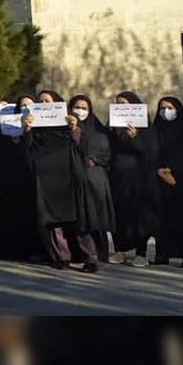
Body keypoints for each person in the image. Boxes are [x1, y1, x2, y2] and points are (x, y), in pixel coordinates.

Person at [22, 89, 97, 272]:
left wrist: (74, 128)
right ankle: (62, 257)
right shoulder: (35, 127)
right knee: (53, 221)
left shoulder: (68, 123)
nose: (44, 105)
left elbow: (83, 147)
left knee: (78, 219)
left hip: (70, 176)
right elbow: (28, 150)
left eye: (47, 101)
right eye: (40, 102)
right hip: (47, 178)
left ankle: (90, 258)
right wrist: (28, 130)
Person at [107, 92, 158, 267]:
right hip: (117, 178)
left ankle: (141, 253)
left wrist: (136, 138)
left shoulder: (146, 128)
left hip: (139, 179)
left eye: (124, 104)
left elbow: (151, 153)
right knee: (119, 215)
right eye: (118, 104)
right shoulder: (112, 126)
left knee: (139, 217)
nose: (120, 107)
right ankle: (119, 250)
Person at [0, 94, 39, 261]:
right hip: (9, 176)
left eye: (30, 105)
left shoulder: (39, 128)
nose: (26, 108)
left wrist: (29, 131)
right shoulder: (7, 126)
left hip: (30, 175)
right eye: (23, 105)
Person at [68, 94, 115, 263]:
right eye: (76, 107)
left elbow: (106, 153)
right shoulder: (64, 129)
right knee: (79, 218)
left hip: (95, 178)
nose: (80, 111)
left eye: (84, 108)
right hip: (73, 177)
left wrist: (94, 160)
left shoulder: (99, 130)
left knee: (96, 217)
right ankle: (81, 254)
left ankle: (100, 253)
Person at [153, 96, 183, 267]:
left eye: (170, 108)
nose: (166, 111)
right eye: (162, 108)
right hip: (159, 179)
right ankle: (162, 254)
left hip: (181, 178)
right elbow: (149, 151)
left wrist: (172, 169)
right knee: (162, 218)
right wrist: (159, 170)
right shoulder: (154, 129)